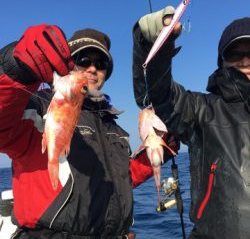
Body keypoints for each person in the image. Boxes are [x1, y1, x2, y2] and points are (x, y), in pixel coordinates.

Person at [0, 24, 179, 238]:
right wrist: (16, 68)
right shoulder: (38, 106)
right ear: (66, 65)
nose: (93, 69)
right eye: (83, 60)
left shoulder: (114, 126)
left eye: (101, 64)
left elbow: (122, 177)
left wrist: (160, 151)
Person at [133, 4, 250, 239]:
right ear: (221, 61)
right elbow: (157, 95)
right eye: (234, 53)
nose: (245, 60)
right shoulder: (200, 110)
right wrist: (153, 46)